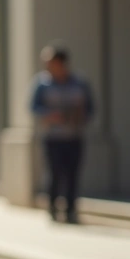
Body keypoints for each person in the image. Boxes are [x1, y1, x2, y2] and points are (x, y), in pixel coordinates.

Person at [30, 44, 95, 224]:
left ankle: (71, 211)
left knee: (73, 174)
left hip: (74, 136)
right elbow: (33, 107)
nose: (47, 66)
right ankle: (52, 208)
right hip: (52, 137)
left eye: (50, 62)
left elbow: (90, 108)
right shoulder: (42, 84)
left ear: (61, 63)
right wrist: (49, 116)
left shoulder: (80, 83)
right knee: (54, 173)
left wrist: (79, 117)